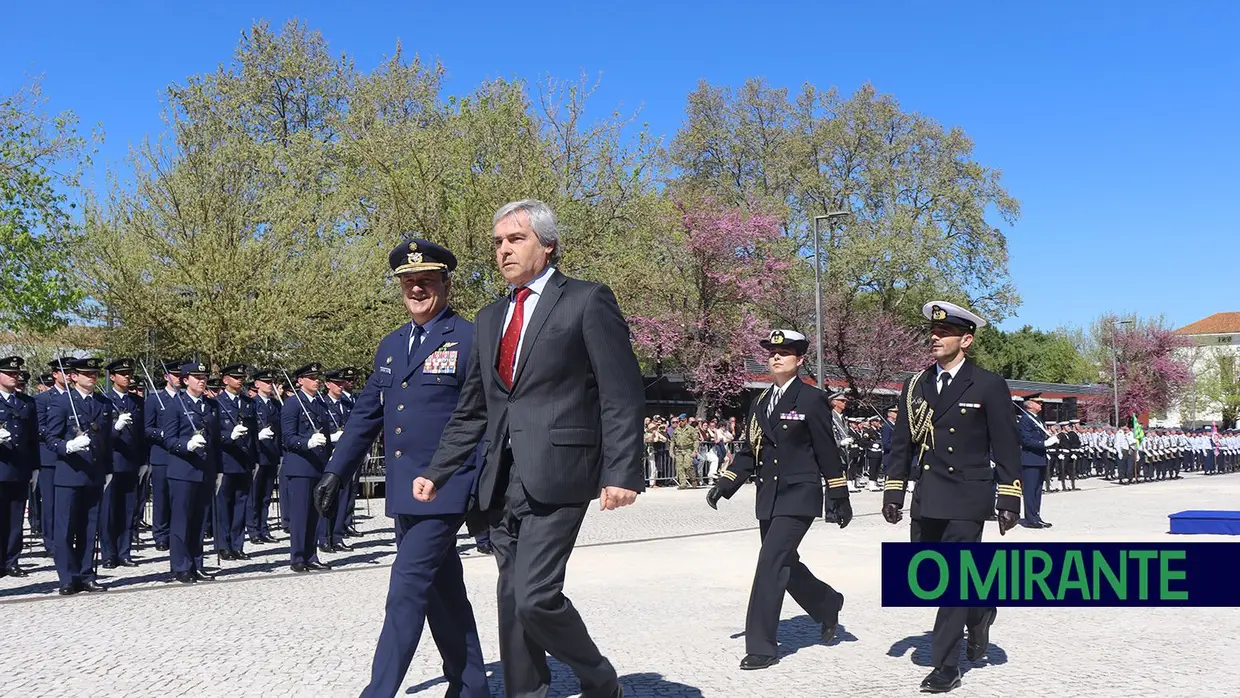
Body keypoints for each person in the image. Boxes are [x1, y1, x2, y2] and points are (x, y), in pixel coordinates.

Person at [414, 199, 645, 698]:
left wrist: (623, 471)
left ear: (548, 245)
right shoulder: (490, 316)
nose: (503, 250)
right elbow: (474, 407)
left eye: (515, 239)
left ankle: (601, 678)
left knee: (536, 598)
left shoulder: (587, 300)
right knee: (510, 596)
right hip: (500, 477)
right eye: (497, 242)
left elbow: (621, 392)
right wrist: (440, 469)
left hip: (560, 470)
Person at [314, 238, 488, 698]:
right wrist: (336, 470)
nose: (417, 289)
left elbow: (483, 418)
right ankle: (472, 686)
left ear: (446, 285)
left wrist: (479, 489)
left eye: (427, 281)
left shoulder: (469, 339)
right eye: (409, 282)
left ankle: (378, 692)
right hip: (402, 491)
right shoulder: (391, 345)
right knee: (442, 592)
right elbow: (367, 413)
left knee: (406, 589)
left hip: (445, 488)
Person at [882, 301, 1022, 693]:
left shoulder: (988, 384)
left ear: (966, 340)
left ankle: (946, 665)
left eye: (944, 333)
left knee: (955, 576)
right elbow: (902, 443)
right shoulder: (916, 385)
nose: (935, 337)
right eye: (934, 331)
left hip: (967, 494)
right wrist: (895, 489)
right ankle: (979, 613)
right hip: (928, 494)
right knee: (928, 576)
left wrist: (1009, 498)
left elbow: (1006, 445)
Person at [705, 329, 851, 670]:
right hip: (769, 497)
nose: (775, 357)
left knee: (770, 563)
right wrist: (726, 484)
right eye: (771, 352)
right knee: (786, 565)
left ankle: (762, 646)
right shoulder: (759, 402)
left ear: (799, 360)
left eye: (784, 352)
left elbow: (827, 451)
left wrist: (839, 494)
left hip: (799, 495)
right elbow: (748, 451)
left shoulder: (812, 399)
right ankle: (827, 603)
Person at [45, 357, 114, 595]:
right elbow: (51, 438)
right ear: (74, 376)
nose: (92, 377)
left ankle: (86, 575)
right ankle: (67, 577)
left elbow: (107, 441)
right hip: (69, 473)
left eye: (94, 374)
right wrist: (68, 446)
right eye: (86, 374)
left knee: (89, 527)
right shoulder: (62, 402)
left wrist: (108, 470)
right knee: (65, 529)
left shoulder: (103, 403)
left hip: (94, 473)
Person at [161, 361, 221, 584]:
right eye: (197, 377)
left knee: (199, 521)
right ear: (185, 380)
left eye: (204, 377)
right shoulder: (176, 405)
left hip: (205, 470)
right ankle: (181, 566)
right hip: (183, 470)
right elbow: (168, 439)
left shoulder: (211, 406)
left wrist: (217, 470)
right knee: (181, 521)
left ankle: (197, 564)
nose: (202, 380)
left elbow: (215, 442)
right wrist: (186, 445)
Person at [282, 362, 331, 572]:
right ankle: (298, 557)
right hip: (300, 466)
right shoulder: (293, 404)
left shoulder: (320, 404)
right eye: (311, 377)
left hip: (318, 465)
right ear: (300, 381)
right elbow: (287, 437)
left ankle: (312, 555)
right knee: (301, 514)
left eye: (317, 377)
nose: (316, 380)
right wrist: (307, 442)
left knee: (315, 514)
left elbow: (326, 433)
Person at [99, 357, 144, 569]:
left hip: (131, 462)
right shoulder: (104, 401)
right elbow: (99, 435)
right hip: (112, 462)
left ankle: (124, 551)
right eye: (123, 374)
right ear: (113, 377)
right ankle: (108, 553)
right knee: (109, 510)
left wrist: (143, 461)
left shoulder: (136, 402)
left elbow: (141, 434)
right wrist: (115, 429)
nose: (127, 377)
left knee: (128, 510)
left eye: (129, 374)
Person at [0, 356, 38, 578]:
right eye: (9, 373)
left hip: (20, 467)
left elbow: (32, 438)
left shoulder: (26, 402)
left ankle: (12, 560)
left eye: (16, 374)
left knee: (16, 518)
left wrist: (35, 467)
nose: (14, 377)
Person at [1016, 393, 1053, 528]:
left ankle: (1036, 516)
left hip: (1039, 458)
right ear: (1029, 405)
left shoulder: (1038, 419)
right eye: (1038, 402)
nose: (1040, 404)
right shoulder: (1025, 420)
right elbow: (1026, 440)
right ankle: (1030, 518)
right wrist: (1044, 444)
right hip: (1030, 459)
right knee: (1030, 491)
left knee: (1038, 490)